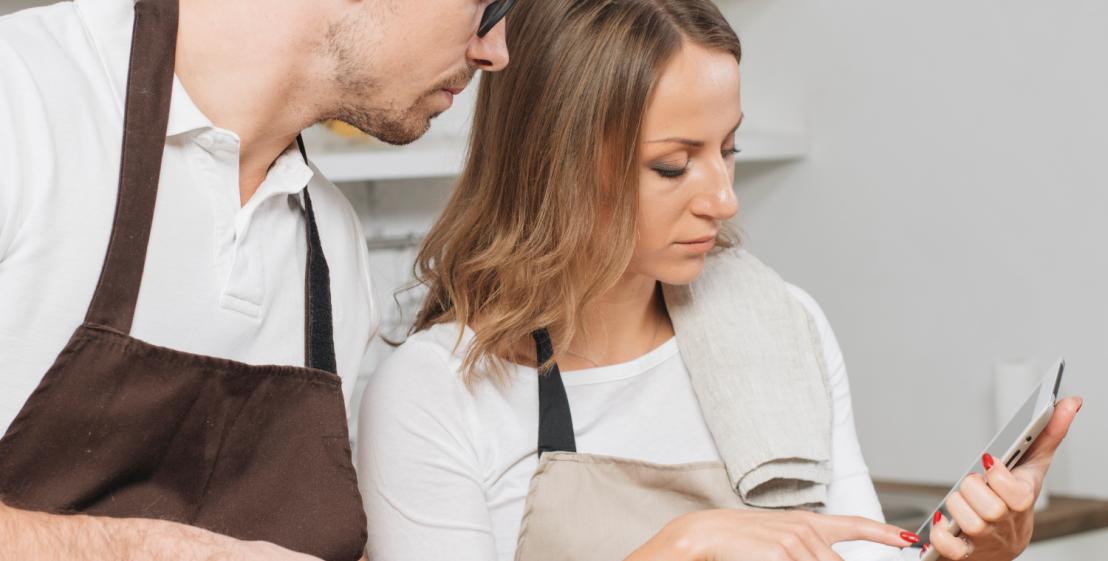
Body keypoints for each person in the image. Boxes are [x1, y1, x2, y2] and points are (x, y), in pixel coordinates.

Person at [356, 1, 1081, 560]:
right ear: (558, 164)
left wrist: (980, 552)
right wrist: (672, 546)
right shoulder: (436, 393)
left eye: (728, 150)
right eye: (673, 164)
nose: (723, 199)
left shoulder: (784, 327)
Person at [0, 0, 512, 559]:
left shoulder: (334, 247)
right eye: (486, 6)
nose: (495, 52)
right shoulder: (19, 102)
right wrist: (136, 549)